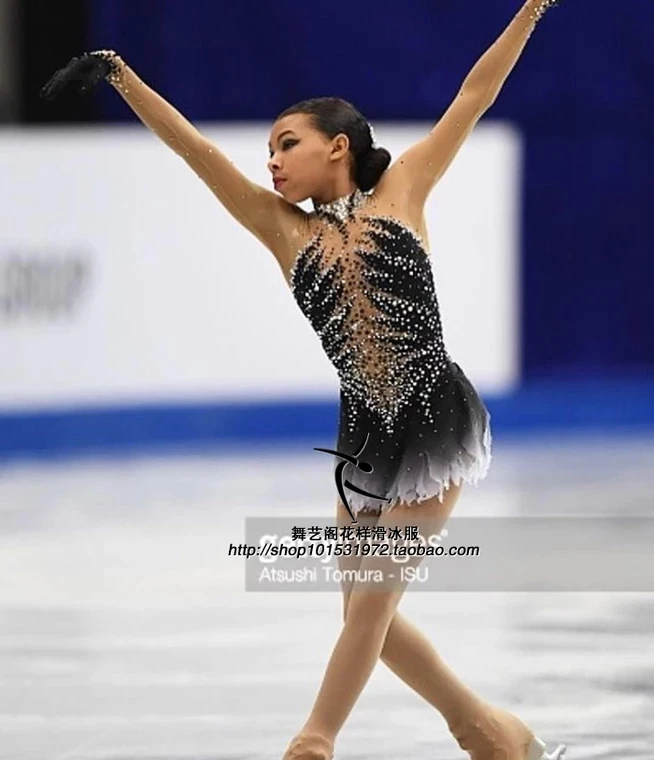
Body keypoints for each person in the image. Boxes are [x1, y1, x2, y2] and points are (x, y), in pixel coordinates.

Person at [40, 1, 567, 757]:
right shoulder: (281, 229)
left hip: (431, 416)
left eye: (288, 144)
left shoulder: (404, 189)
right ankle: (484, 728)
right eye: (269, 150)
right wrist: (123, 77)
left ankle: (314, 741)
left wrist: (530, 10)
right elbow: (195, 151)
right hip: (362, 434)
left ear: (340, 147)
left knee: (370, 605)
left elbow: (473, 95)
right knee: (367, 617)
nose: (273, 162)